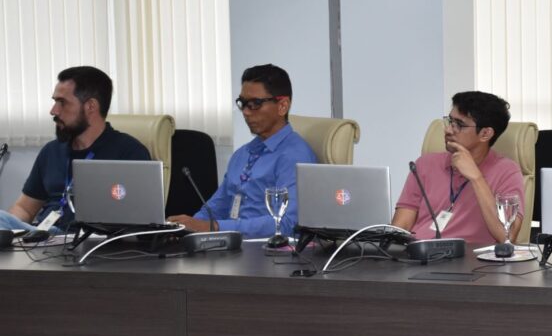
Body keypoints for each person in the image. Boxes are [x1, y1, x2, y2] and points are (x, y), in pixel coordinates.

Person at [168, 64, 316, 240]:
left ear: (282, 106)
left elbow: (284, 223)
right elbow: (216, 207)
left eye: (255, 104)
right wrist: (185, 228)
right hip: (230, 245)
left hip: (265, 250)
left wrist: (214, 227)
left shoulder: (295, 157)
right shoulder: (242, 154)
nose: (246, 112)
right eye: (243, 103)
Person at [0, 66, 150, 233]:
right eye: (55, 102)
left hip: (90, 242)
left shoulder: (129, 153)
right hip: (43, 240)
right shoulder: (51, 151)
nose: (53, 111)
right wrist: (9, 232)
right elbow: (25, 209)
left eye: (62, 102)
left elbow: (140, 221)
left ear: (90, 106)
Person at [392, 92, 525, 247]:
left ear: (485, 134)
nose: (448, 130)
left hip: (466, 258)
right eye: (450, 121)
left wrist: (476, 177)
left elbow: (507, 237)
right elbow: (400, 228)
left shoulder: (507, 172)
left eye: (459, 125)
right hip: (418, 253)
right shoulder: (424, 164)